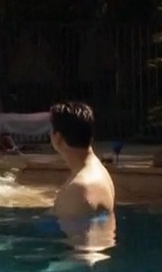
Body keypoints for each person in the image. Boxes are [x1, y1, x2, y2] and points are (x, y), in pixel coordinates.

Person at [48, 101, 116, 256]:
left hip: (80, 263)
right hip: (94, 259)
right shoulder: (97, 171)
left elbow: (84, 249)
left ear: (58, 138)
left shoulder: (80, 187)